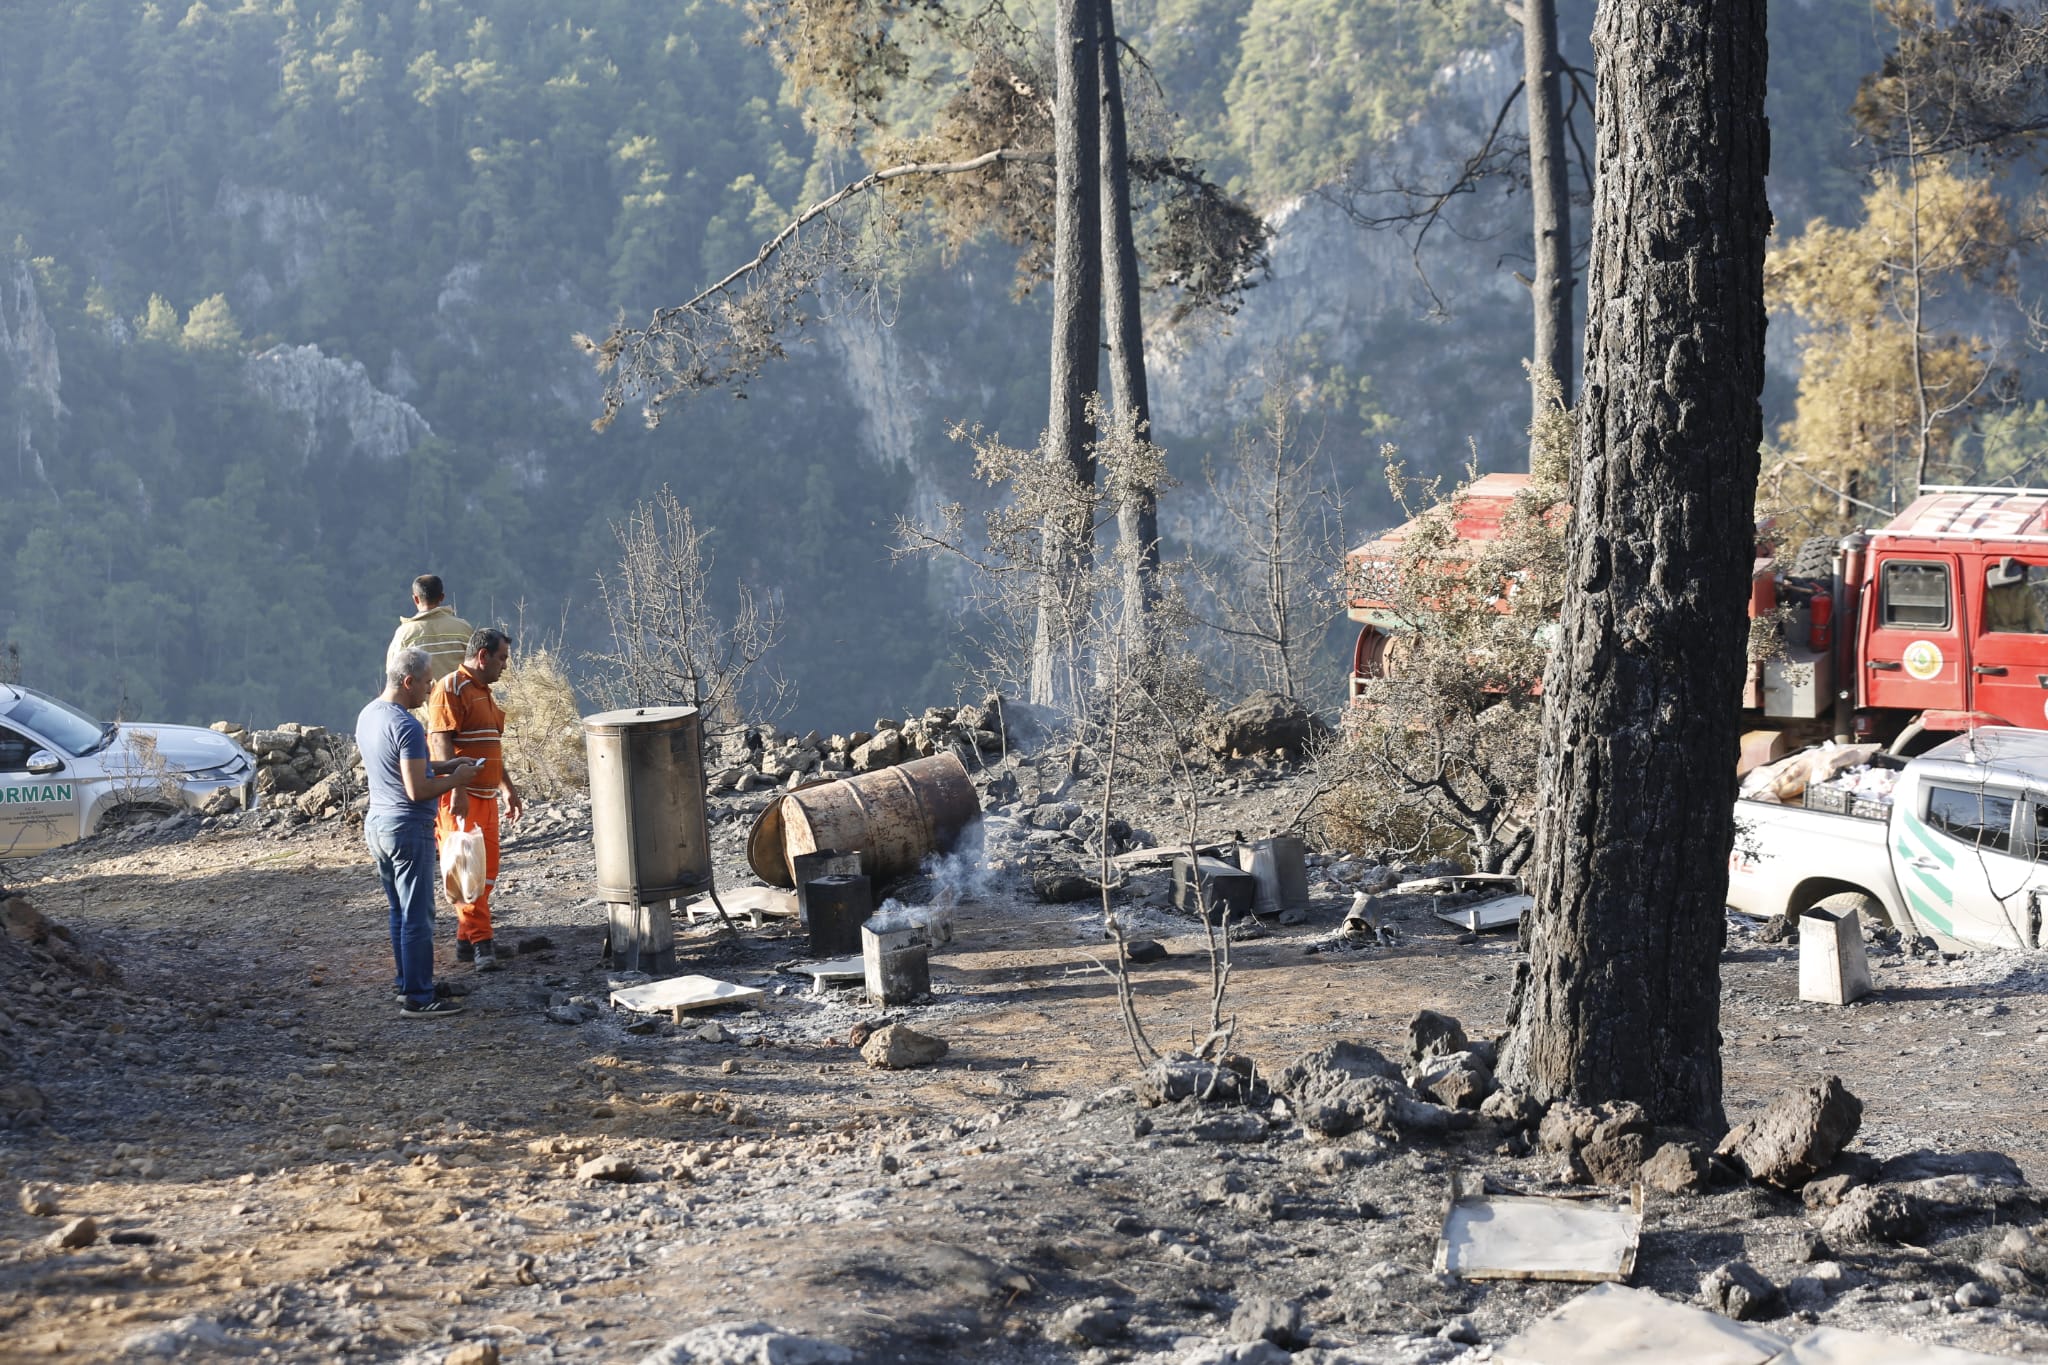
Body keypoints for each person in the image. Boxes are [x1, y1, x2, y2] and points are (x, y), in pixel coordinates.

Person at [357, 646, 482, 1019]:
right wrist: (456, 780)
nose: (430, 690)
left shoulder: (369, 714)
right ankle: (419, 997)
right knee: (418, 915)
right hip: (407, 827)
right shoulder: (408, 725)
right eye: (427, 682)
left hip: (377, 824)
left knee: (399, 910)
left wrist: (445, 766)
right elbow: (416, 790)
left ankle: (408, 983)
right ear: (408, 681)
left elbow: (400, 770)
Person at [427, 627, 524, 969]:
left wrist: (506, 787)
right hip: (461, 799)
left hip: (486, 796)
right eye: (501, 659)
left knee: (485, 871)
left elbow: (490, 747)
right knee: (466, 869)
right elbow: (441, 743)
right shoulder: (450, 688)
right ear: (483, 656)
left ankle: (465, 941)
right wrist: (457, 788)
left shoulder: (484, 691)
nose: (505, 666)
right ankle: (483, 944)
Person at [388, 575, 476, 683]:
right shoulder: (463, 628)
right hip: (460, 698)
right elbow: (477, 667)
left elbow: (393, 675)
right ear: (442, 597)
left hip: (423, 700)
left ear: (415, 599)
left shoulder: (404, 633)